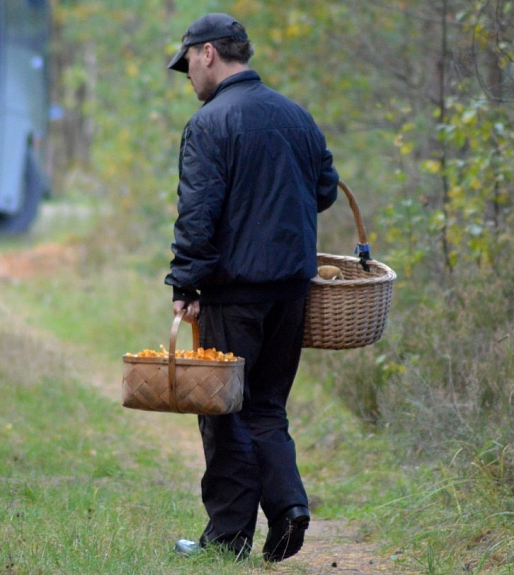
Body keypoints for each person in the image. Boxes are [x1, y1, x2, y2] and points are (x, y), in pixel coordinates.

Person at [164, 13, 339, 563]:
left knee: (223, 412)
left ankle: (228, 540)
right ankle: (288, 508)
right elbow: (327, 190)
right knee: (265, 407)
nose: (187, 74)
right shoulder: (297, 116)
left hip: (232, 294)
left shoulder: (211, 123)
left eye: (188, 61)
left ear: (209, 53)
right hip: (291, 292)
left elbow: (198, 213)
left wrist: (187, 281)